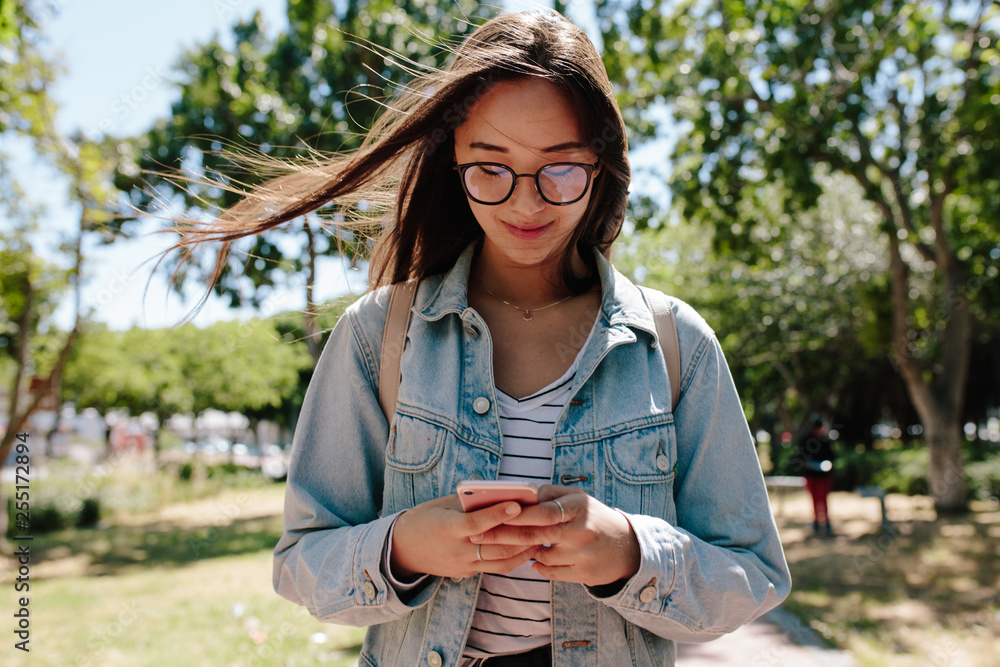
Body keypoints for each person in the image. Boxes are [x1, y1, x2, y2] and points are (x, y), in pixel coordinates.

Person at [169, 11, 790, 666]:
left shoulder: (674, 343)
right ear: (453, 161)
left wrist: (630, 552)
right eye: (491, 169)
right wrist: (405, 546)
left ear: (602, 167)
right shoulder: (376, 335)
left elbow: (755, 573)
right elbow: (302, 562)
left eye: (561, 168)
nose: (526, 204)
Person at [796, 419, 836, 536]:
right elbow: (800, 457)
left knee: (823, 499)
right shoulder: (805, 439)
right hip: (811, 475)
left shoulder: (825, 440)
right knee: (814, 500)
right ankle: (816, 522)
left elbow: (831, 457)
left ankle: (827, 523)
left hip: (824, 476)